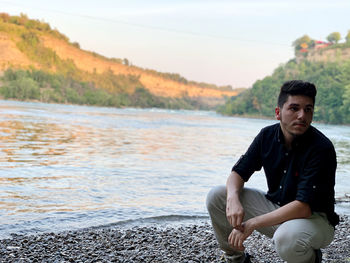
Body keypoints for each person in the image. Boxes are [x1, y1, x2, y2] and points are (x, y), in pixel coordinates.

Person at [206, 80, 339, 263]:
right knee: (217, 195)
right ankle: (235, 258)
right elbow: (238, 173)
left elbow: (303, 207)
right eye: (294, 108)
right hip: (278, 208)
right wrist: (233, 199)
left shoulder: (321, 148)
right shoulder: (266, 136)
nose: (302, 115)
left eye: (308, 109)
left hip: (315, 220)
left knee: (286, 239)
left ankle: (311, 258)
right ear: (278, 113)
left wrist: (252, 223)